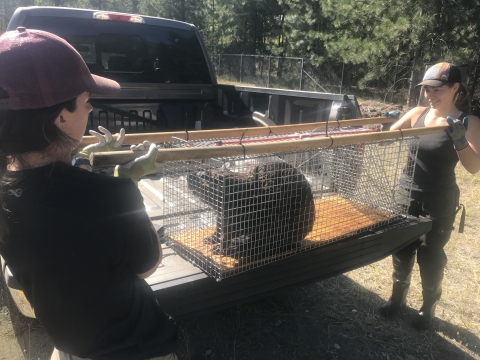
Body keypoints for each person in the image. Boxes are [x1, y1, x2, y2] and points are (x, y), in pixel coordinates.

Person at [0, 28, 178, 359]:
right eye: (85, 101)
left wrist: (79, 159)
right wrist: (129, 180)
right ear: (61, 117)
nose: (91, 108)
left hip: (72, 345)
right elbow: (146, 266)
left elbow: (50, 194)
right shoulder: (112, 195)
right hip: (134, 348)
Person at [378, 62, 480, 329]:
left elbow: (473, 167)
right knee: (401, 249)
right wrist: (386, 122)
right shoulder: (417, 113)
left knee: (430, 255)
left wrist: (459, 141)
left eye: (437, 89)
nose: (430, 95)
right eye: (426, 89)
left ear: (455, 88)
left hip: (439, 200)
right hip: (406, 194)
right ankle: (397, 298)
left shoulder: (469, 122)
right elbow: (388, 138)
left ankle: (428, 307)